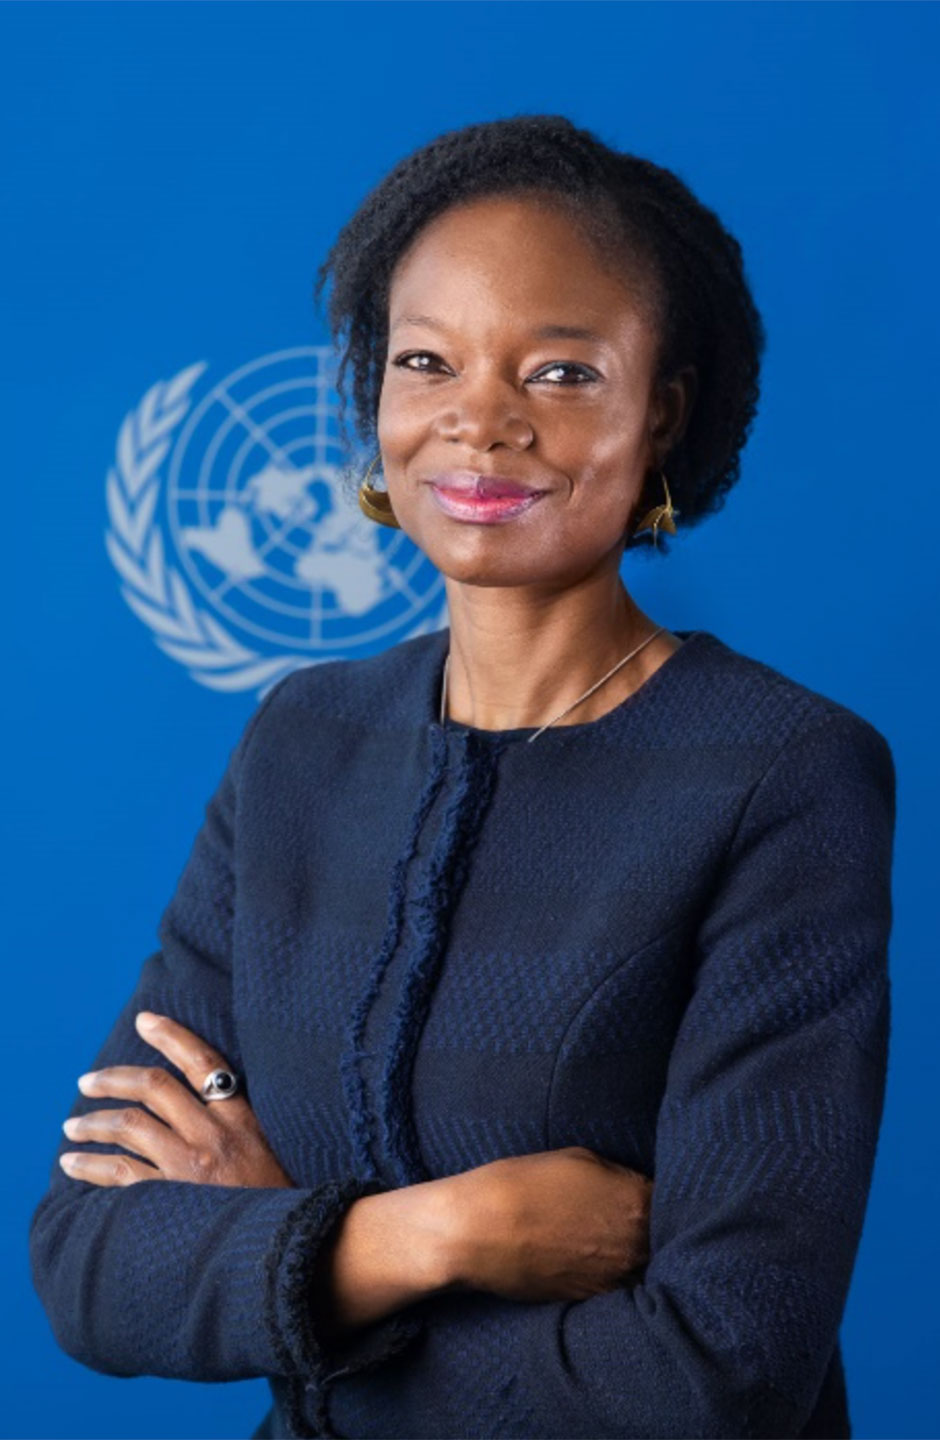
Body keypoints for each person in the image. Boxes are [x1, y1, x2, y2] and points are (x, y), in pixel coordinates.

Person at [29, 114, 896, 1440]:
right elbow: (88, 1262)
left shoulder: (783, 773)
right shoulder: (301, 739)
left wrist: (285, 1259)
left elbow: (720, 1374)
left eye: (561, 372)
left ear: (662, 410)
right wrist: (441, 1234)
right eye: (426, 361)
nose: (480, 421)